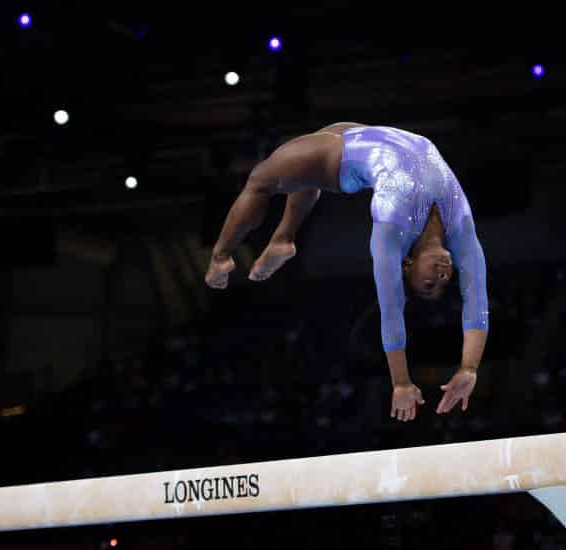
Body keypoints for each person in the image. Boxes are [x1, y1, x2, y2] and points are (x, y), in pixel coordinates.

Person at [205, 123, 489, 422]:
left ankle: (219, 257)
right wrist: (469, 367)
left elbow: (392, 311)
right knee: (307, 158)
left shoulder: (390, 232)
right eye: (445, 281)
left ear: (407, 264)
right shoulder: (461, 230)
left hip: (351, 156)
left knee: (260, 180)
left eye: (429, 283)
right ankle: (282, 239)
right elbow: (477, 302)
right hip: (373, 135)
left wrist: (401, 382)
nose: (443, 277)